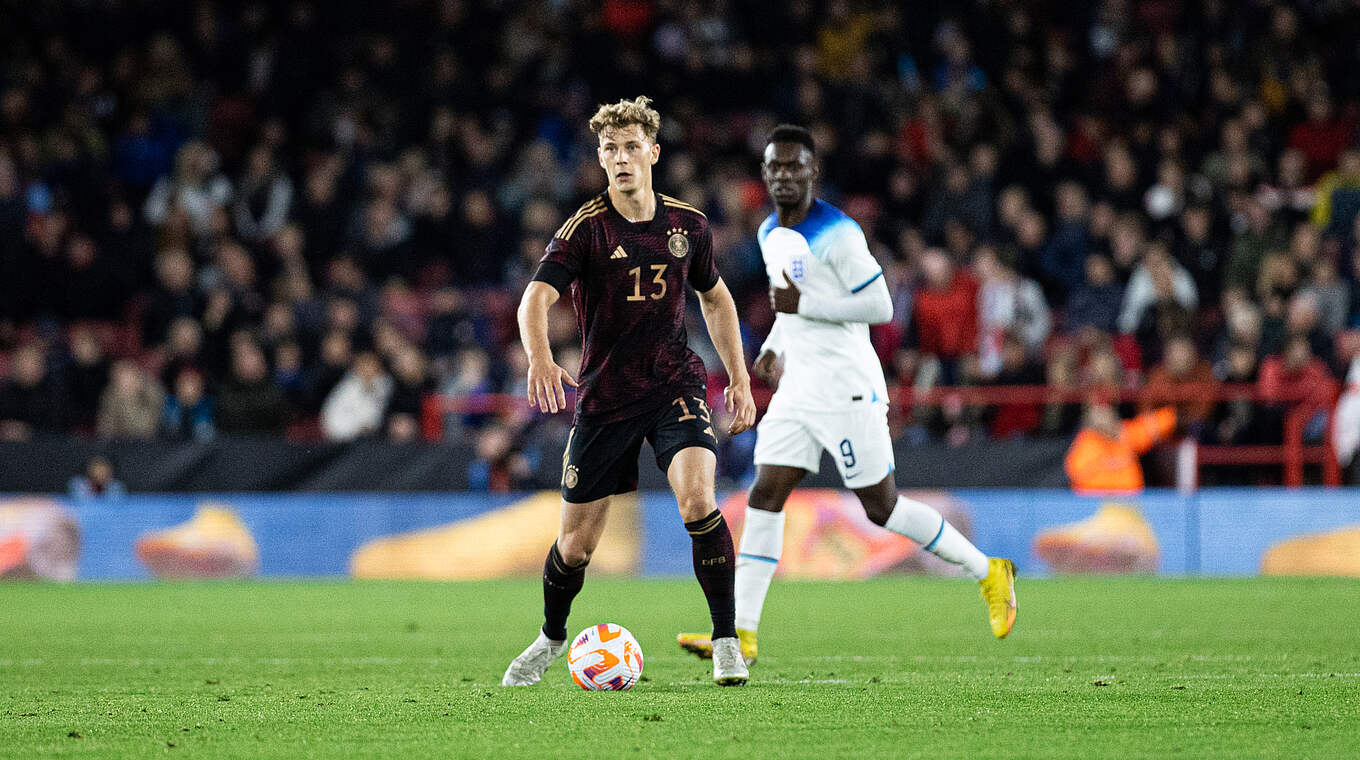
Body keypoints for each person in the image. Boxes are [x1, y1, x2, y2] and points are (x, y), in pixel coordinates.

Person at [677, 125, 1017, 669]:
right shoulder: (769, 231)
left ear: (813, 171)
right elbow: (790, 303)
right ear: (765, 175)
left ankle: (988, 571)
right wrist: (774, 343)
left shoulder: (840, 233)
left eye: (795, 166)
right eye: (775, 167)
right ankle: (739, 634)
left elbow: (881, 305)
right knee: (765, 496)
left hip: (848, 389)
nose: (784, 175)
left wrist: (807, 310)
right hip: (799, 390)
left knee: (882, 508)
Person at [501, 96, 757, 687]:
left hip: (674, 382)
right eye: (610, 148)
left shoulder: (687, 226)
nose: (620, 158)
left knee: (698, 501)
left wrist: (739, 378)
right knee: (575, 547)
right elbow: (534, 300)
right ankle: (550, 639)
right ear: (600, 156)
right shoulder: (585, 230)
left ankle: (725, 641)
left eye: (631, 147)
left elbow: (715, 297)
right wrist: (539, 358)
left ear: (653, 153)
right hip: (605, 399)